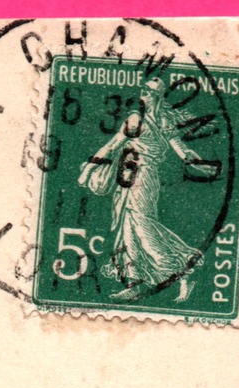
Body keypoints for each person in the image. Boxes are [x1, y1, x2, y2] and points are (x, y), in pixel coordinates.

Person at [77, 76, 208, 303]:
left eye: (151, 92)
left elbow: (181, 150)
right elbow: (112, 145)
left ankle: (184, 272)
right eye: (144, 91)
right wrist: (89, 169)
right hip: (125, 176)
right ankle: (135, 282)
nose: (146, 95)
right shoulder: (134, 119)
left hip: (144, 176)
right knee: (126, 228)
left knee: (142, 225)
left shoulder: (164, 121)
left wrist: (196, 162)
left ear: (158, 97)